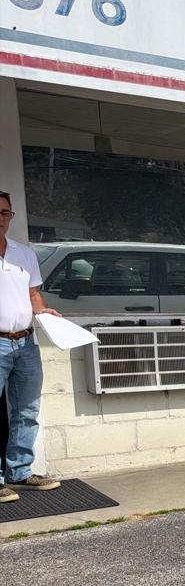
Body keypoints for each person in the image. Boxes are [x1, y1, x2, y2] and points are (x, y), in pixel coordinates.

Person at [0, 190, 62, 503]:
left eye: (3, 213)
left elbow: (33, 294)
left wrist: (43, 310)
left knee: (27, 408)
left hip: (25, 342)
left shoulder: (24, 254)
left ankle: (19, 472)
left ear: (10, 217)